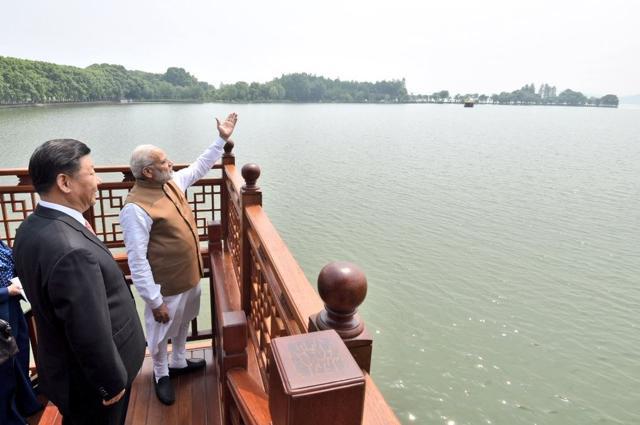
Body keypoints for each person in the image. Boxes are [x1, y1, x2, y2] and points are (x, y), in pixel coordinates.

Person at [13, 139, 146, 425]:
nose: (98, 181)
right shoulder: (71, 250)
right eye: (92, 172)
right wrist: (110, 384)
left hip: (63, 367)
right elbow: (88, 330)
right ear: (64, 182)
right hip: (93, 384)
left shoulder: (30, 226)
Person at [119, 113, 237, 405]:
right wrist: (153, 300)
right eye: (163, 162)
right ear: (148, 172)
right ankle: (161, 373)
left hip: (189, 275)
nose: (170, 164)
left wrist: (221, 139)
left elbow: (199, 166)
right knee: (159, 335)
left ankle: (179, 362)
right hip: (164, 286)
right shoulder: (135, 208)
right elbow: (137, 259)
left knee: (183, 321)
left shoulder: (171, 183)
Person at [0, 240, 42, 425]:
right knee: (6, 367)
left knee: (20, 357)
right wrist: (6, 291)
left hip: (13, 306)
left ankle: (26, 403)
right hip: (2, 310)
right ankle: (10, 418)